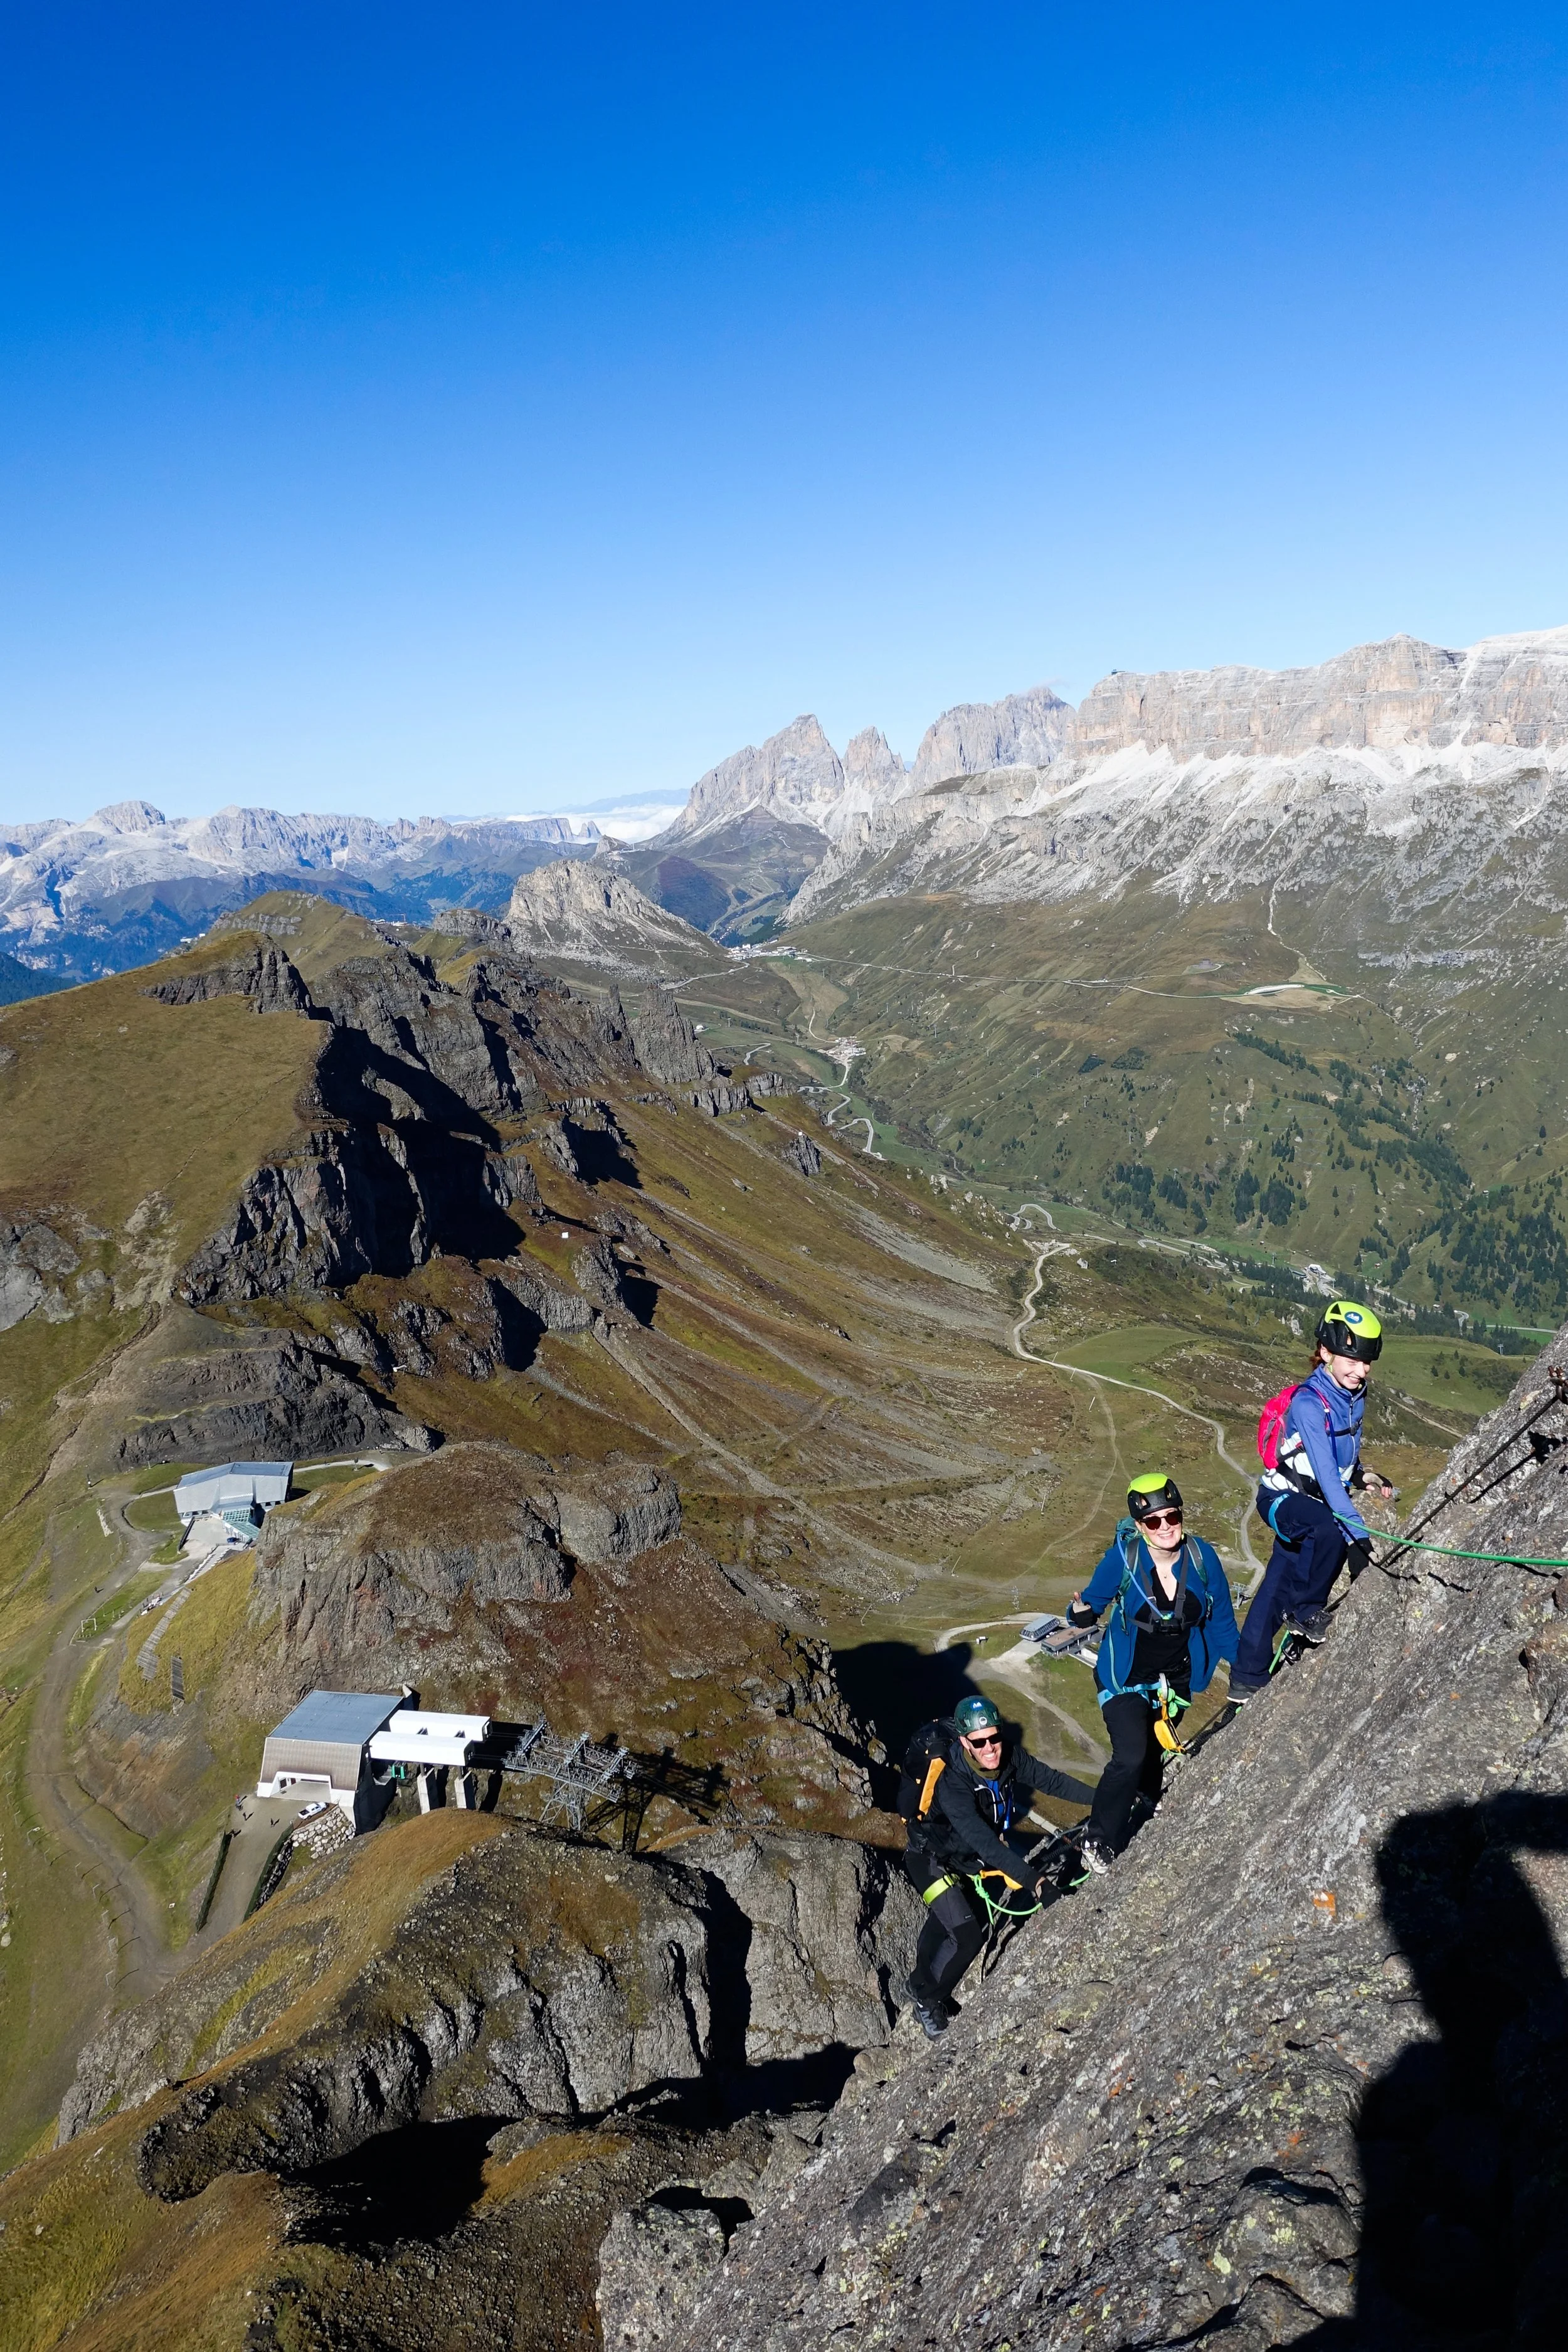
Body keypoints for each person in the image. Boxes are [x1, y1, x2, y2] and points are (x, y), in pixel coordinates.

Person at [1064, 1472, 1239, 1873]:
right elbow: (1089, 1604)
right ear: (1140, 1526)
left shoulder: (1202, 1558)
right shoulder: (1123, 1559)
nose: (1165, 1528)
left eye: (1172, 1517)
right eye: (1153, 1521)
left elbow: (1223, 1626)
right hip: (1124, 1676)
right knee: (1130, 1754)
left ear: (1181, 1515)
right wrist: (1077, 1612)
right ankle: (1098, 1838)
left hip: (1174, 1678)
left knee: (1156, 1745)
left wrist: (1249, 1674)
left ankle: (1145, 1799)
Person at [903, 1694, 1097, 2037]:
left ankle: (920, 1981)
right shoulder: (952, 1787)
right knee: (966, 1935)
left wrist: (1106, 1797)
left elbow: (1052, 1781)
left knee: (952, 1921)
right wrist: (1037, 1884)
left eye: (995, 1737)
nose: (991, 1748)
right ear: (965, 1742)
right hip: (930, 1859)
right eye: (980, 1742)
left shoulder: (1009, 1757)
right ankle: (927, 2001)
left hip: (963, 1859)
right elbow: (988, 1845)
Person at [1230, 1300, 1396, 1700]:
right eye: (1351, 1359)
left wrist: (1363, 1475)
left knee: (1280, 1579)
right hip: (1282, 1499)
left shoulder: (1354, 1396)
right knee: (1329, 1531)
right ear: (1325, 1353)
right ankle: (1305, 1613)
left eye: (1367, 1362)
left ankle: (1246, 1676)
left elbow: (1340, 1458)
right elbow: (1322, 1472)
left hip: (1310, 1498)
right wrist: (1358, 1531)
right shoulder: (1310, 1403)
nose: (1361, 1370)